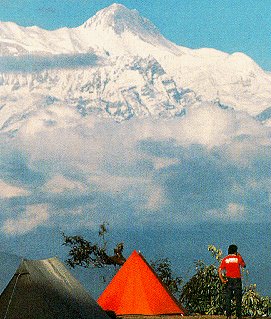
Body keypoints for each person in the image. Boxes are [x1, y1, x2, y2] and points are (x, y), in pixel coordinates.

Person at [218, 244, 246, 319]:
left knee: (228, 299)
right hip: (237, 280)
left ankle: (228, 316)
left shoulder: (225, 259)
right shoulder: (238, 258)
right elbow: (244, 265)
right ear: (235, 251)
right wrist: (240, 256)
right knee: (238, 299)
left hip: (228, 280)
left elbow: (220, 270)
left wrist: (222, 279)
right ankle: (238, 316)